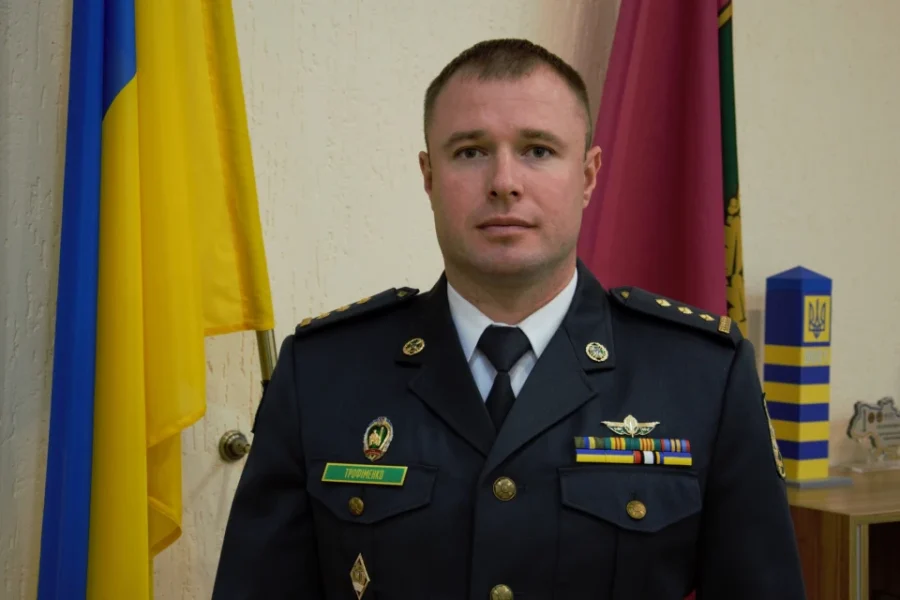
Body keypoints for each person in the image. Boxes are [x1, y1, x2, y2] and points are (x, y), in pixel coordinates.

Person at [212, 38, 806, 599]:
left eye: (538, 150)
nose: (503, 183)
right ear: (428, 177)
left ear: (588, 176)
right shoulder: (322, 374)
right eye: (470, 152)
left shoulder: (702, 376)